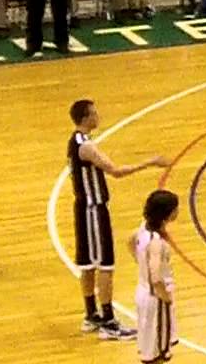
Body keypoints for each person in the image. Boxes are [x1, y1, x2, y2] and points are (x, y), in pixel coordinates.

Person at [67, 99, 167, 338]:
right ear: (85, 117)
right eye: (94, 113)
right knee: (104, 265)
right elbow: (116, 171)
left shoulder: (77, 141)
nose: (98, 116)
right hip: (93, 209)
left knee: (88, 264)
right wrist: (150, 162)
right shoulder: (86, 147)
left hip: (84, 208)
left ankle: (91, 315)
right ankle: (109, 321)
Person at [131, 190, 180, 364]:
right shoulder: (157, 243)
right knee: (157, 354)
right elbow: (157, 277)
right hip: (156, 299)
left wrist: (140, 262)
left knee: (149, 348)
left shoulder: (143, 228)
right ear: (168, 213)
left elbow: (130, 241)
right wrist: (166, 298)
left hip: (142, 292)